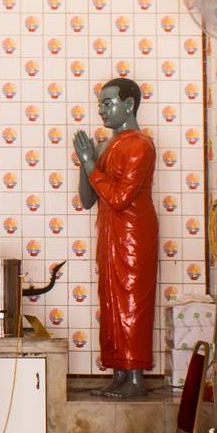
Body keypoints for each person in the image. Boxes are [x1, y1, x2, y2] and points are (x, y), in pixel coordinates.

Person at [73, 77, 159, 399]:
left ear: (129, 105)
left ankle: (135, 377)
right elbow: (87, 199)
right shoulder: (109, 147)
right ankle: (119, 372)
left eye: (107, 104)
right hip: (110, 234)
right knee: (111, 301)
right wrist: (86, 162)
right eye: (99, 105)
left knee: (132, 302)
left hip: (134, 235)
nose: (102, 112)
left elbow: (121, 198)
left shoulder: (140, 145)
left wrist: (90, 162)